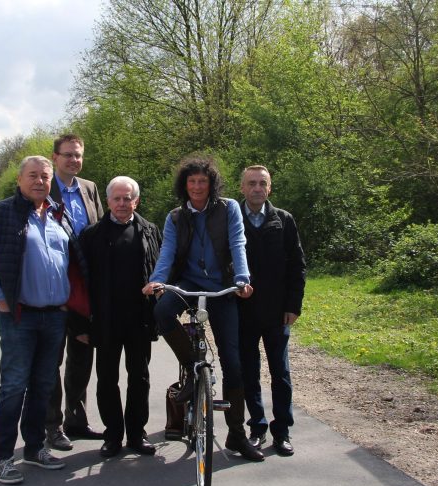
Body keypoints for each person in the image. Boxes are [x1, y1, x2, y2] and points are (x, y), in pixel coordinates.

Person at [142, 155, 263, 462]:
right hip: (186, 284)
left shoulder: (228, 208)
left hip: (221, 288)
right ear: (185, 185)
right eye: (192, 181)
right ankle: (192, 372)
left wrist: (242, 278)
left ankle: (236, 435)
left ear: (212, 184)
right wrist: (157, 281)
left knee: (233, 364)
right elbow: (167, 252)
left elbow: (238, 242)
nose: (197, 186)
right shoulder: (175, 217)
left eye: (203, 181)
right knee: (161, 311)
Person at [0, 155, 83, 484]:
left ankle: (34, 448)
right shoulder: (1, 212)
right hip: (19, 315)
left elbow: (71, 263)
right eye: (33, 176)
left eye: (45, 177)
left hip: (53, 317)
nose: (39, 181)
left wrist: (68, 304)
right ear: (20, 180)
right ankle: (3, 458)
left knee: (43, 386)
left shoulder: (56, 216)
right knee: (13, 387)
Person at [79, 176, 162, 457]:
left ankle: (137, 434)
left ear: (136, 201)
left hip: (140, 319)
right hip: (105, 321)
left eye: (128, 198)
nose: (123, 203)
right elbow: (80, 283)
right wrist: (80, 323)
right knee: (106, 379)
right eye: (117, 198)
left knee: (140, 378)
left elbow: (161, 270)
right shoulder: (91, 236)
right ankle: (112, 435)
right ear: (108, 201)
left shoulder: (150, 231)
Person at [237, 165, 306, 456]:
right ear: (242, 188)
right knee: (248, 373)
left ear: (269, 188)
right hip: (243, 311)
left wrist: (293, 305)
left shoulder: (284, 220)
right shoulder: (232, 219)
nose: (256, 188)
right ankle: (257, 427)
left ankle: (282, 432)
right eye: (251, 183)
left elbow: (297, 266)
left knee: (280, 373)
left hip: (278, 312)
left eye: (262, 183)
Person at [45, 134, 105, 451]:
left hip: (85, 287)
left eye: (78, 155)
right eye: (67, 155)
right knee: (51, 359)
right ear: (55, 157)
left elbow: (99, 232)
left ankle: (77, 421)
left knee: (82, 355)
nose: (73, 160)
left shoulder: (90, 188)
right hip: (54, 286)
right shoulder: (42, 187)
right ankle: (52, 426)